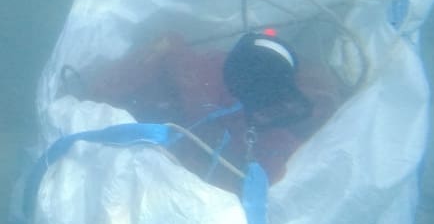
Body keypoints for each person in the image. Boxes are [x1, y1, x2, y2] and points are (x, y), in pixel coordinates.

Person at [72, 26, 333, 186]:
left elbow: (251, 186)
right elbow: (169, 46)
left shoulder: (278, 143)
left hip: (172, 170)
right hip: (135, 133)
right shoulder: (207, 72)